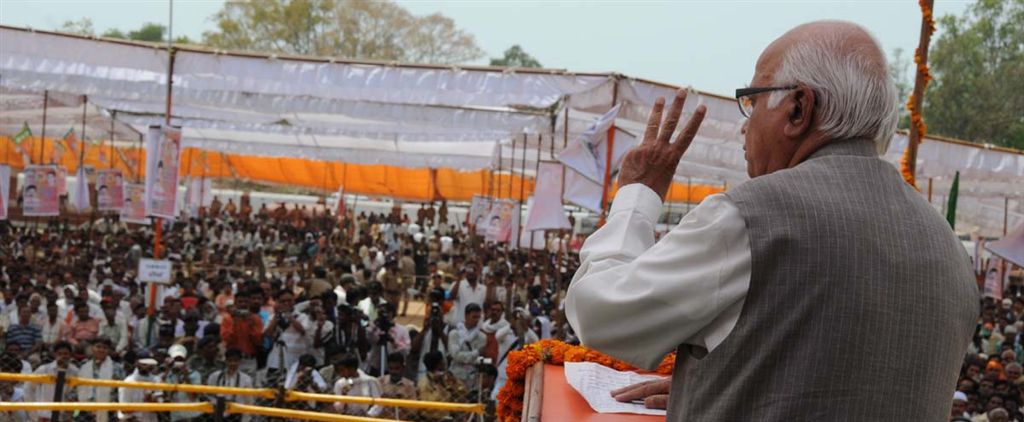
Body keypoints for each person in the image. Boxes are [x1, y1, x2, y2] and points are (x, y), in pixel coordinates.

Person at [566, 21, 977, 420]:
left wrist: (638, 193)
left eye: (753, 100)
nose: (744, 127)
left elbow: (601, 314)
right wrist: (727, 382)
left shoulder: (751, 219)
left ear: (799, 108)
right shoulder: (948, 247)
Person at [25, 341, 78, 422]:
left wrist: (71, 415)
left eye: (66, 353)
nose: (63, 356)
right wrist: (34, 414)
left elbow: (76, 394)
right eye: (59, 354)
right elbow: (28, 389)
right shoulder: (44, 369)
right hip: (44, 416)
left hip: (64, 417)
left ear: (70, 355)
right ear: (54, 354)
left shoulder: (75, 372)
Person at [77, 338, 124, 422]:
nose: (101, 350)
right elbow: (77, 387)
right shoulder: (83, 365)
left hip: (109, 410)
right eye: (98, 346)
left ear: (109, 350)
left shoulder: (117, 368)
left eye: (105, 348)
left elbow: (121, 390)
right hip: (86, 410)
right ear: (92, 348)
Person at [205, 348, 254, 422]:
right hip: (216, 413)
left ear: (239, 362)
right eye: (230, 360)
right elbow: (208, 395)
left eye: (235, 361)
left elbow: (249, 401)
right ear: (225, 361)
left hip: (236, 415)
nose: (232, 363)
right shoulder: (215, 376)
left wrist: (246, 419)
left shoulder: (246, 379)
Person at [447, 303, 486, 387]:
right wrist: (475, 353)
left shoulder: (482, 337)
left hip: (473, 378)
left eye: (478, 317)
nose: (476, 320)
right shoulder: (454, 334)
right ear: (466, 316)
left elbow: (479, 360)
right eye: (474, 317)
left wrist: (463, 357)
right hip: (455, 376)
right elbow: (455, 356)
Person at [119, 356, 161, 422]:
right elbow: (124, 410)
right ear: (137, 363)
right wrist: (143, 403)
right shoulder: (128, 382)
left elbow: (160, 407)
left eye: (149, 364)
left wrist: (151, 401)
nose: (147, 366)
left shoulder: (156, 380)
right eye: (144, 364)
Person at [378, 352, 417, 419]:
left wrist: (398, 402)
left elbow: (413, 412)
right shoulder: (379, 382)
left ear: (403, 367)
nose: (394, 371)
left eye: (397, 368)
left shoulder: (410, 385)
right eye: (391, 368)